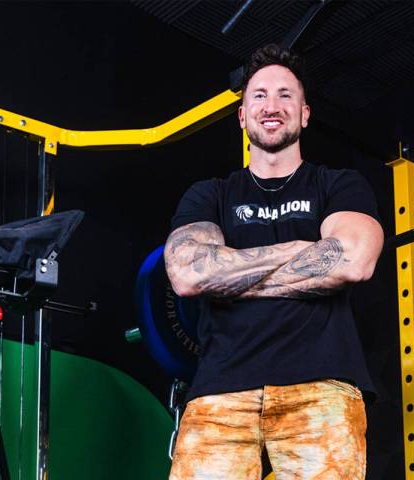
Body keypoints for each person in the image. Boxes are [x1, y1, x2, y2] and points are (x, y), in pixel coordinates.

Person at [163, 44, 384, 480]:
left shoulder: (339, 185)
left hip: (322, 389)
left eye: (286, 95)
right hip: (219, 396)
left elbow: (353, 260)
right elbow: (188, 274)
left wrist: (228, 269)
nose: (272, 105)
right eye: (259, 95)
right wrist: (311, 252)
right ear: (243, 116)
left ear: (304, 113)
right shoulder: (209, 195)